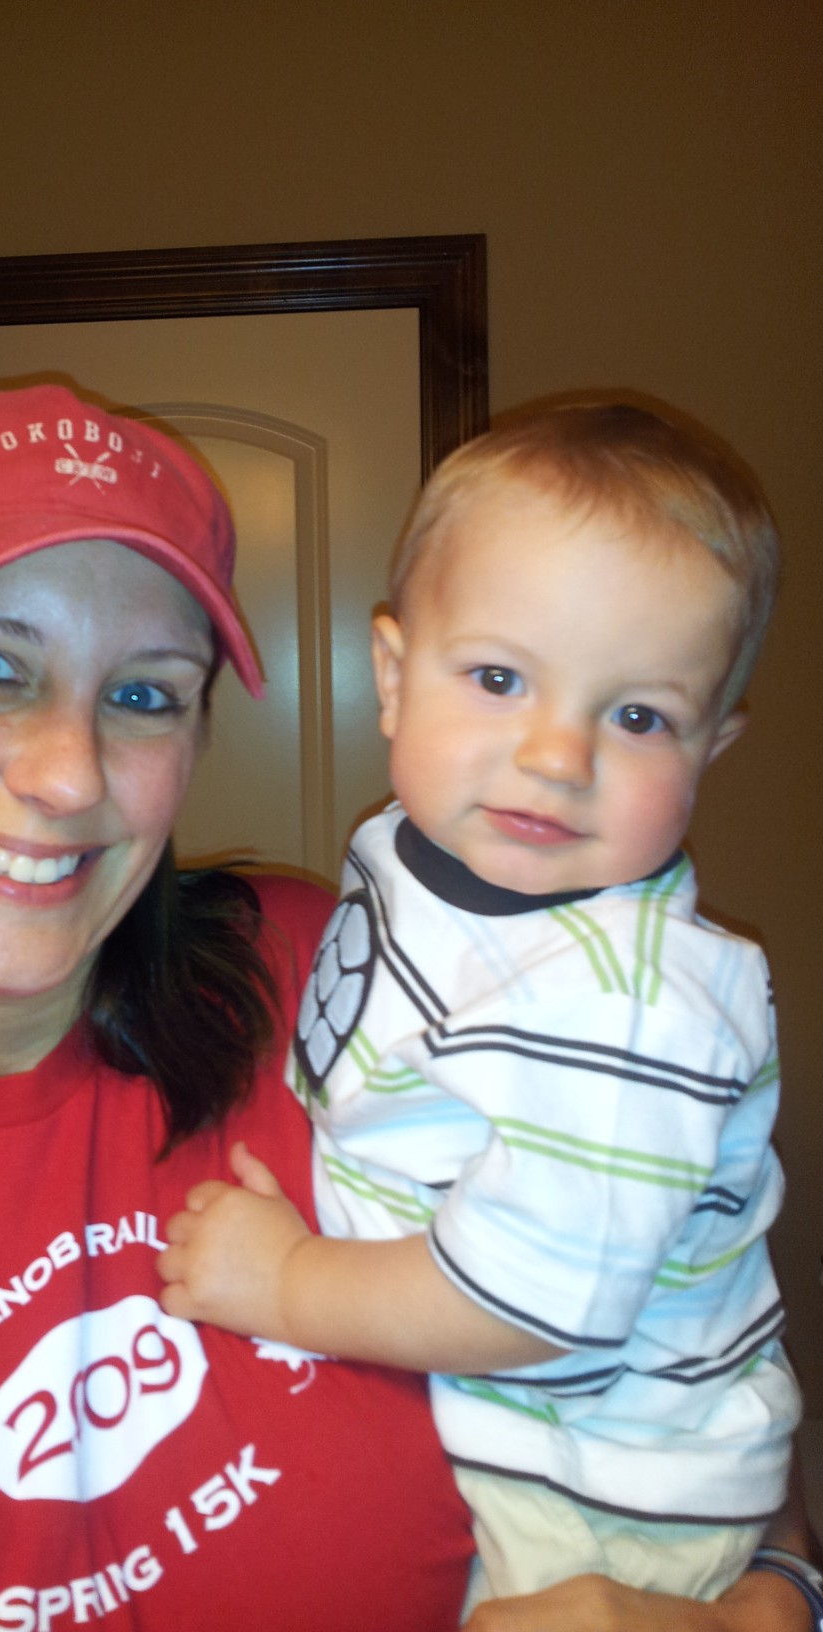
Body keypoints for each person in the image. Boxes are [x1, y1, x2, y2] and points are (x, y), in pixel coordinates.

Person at [0, 386, 813, 1632]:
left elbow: (687, 1350)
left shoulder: (329, 973)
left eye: (144, 694)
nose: (67, 773)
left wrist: (770, 1609)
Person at [157, 403, 810, 1615]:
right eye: (501, 678)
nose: (557, 757)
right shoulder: (413, 854)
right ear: (392, 679)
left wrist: (290, 1283)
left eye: (639, 716)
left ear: (711, 749)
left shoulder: (631, 1009)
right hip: (502, 1431)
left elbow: (532, 1305)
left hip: (597, 1495)